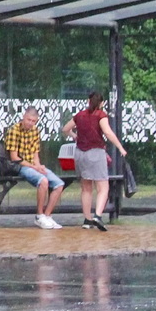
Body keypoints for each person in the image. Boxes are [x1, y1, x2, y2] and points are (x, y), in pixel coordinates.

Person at [62, 91, 127, 231]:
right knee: (103, 187)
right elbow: (108, 132)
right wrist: (120, 148)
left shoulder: (80, 115)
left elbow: (65, 129)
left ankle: (87, 219)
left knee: (86, 188)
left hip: (80, 154)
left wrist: (75, 136)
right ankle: (97, 215)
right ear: (102, 103)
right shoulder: (100, 115)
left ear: (88, 101)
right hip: (96, 153)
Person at [2, 106, 65, 229]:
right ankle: (39, 215)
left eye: (33, 121)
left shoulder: (35, 131)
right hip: (19, 165)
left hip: (32, 164)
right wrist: (34, 167)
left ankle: (47, 216)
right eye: (29, 120)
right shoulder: (14, 130)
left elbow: (35, 153)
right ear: (24, 117)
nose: (30, 123)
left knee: (58, 184)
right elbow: (14, 157)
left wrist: (38, 166)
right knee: (43, 181)